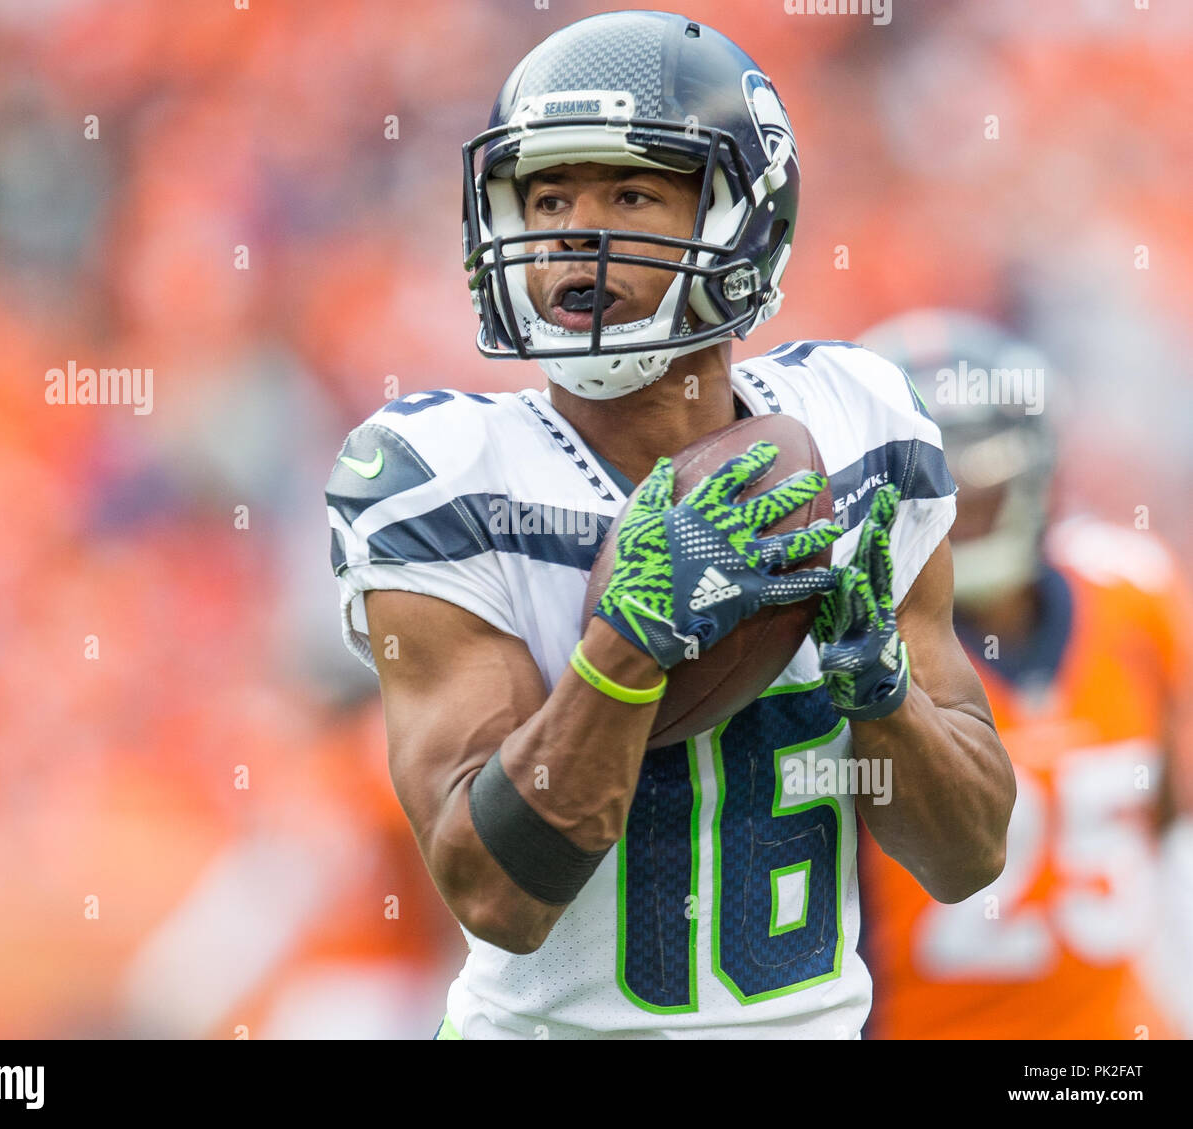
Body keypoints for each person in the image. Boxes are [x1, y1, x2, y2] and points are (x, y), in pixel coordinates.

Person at [325, 11, 1013, 1039]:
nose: (573, 231)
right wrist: (625, 645)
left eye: (630, 192)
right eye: (547, 195)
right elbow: (495, 895)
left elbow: (967, 854)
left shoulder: (859, 426)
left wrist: (879, 687)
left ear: (744, 214)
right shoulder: (442, 477)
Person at [856, 309, 1193, 1039]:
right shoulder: (851, 652)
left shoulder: (1135, 597)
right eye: (933, 478)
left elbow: (1166, 820)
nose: (957, 503)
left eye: (980, 470)